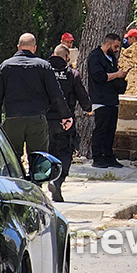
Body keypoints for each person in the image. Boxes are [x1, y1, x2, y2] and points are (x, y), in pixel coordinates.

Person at [0, 33, 73, 161]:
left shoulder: (5, 66)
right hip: (37, 119)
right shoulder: (43, 66)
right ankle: (36, 181)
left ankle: (14, 180)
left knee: (11, 159)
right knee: (38, 158)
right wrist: (65, 115)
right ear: (34, 48)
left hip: (13, 119)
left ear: (18, 47)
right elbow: (56, 93)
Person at [47, 45, 92, 202]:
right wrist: (88, 108)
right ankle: (57, 181)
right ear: (66, 58)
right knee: (65, 152)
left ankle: (41, 183)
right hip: (66, 121)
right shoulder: (72, 74)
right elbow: (82, 96)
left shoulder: (44, 71)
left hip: (45, 121)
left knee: (47, 153)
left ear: (53, 55)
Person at [88, 33, 129, 168]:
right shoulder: (95, 57)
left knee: (110, 130)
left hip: (112, 99)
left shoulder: (111, 58)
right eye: (115, 46)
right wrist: (116, 75)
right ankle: (98, 157)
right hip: (101, 99)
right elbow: (99, 76)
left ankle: (109, 156)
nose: (117, 50)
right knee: (101, 129)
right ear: (107, 44)